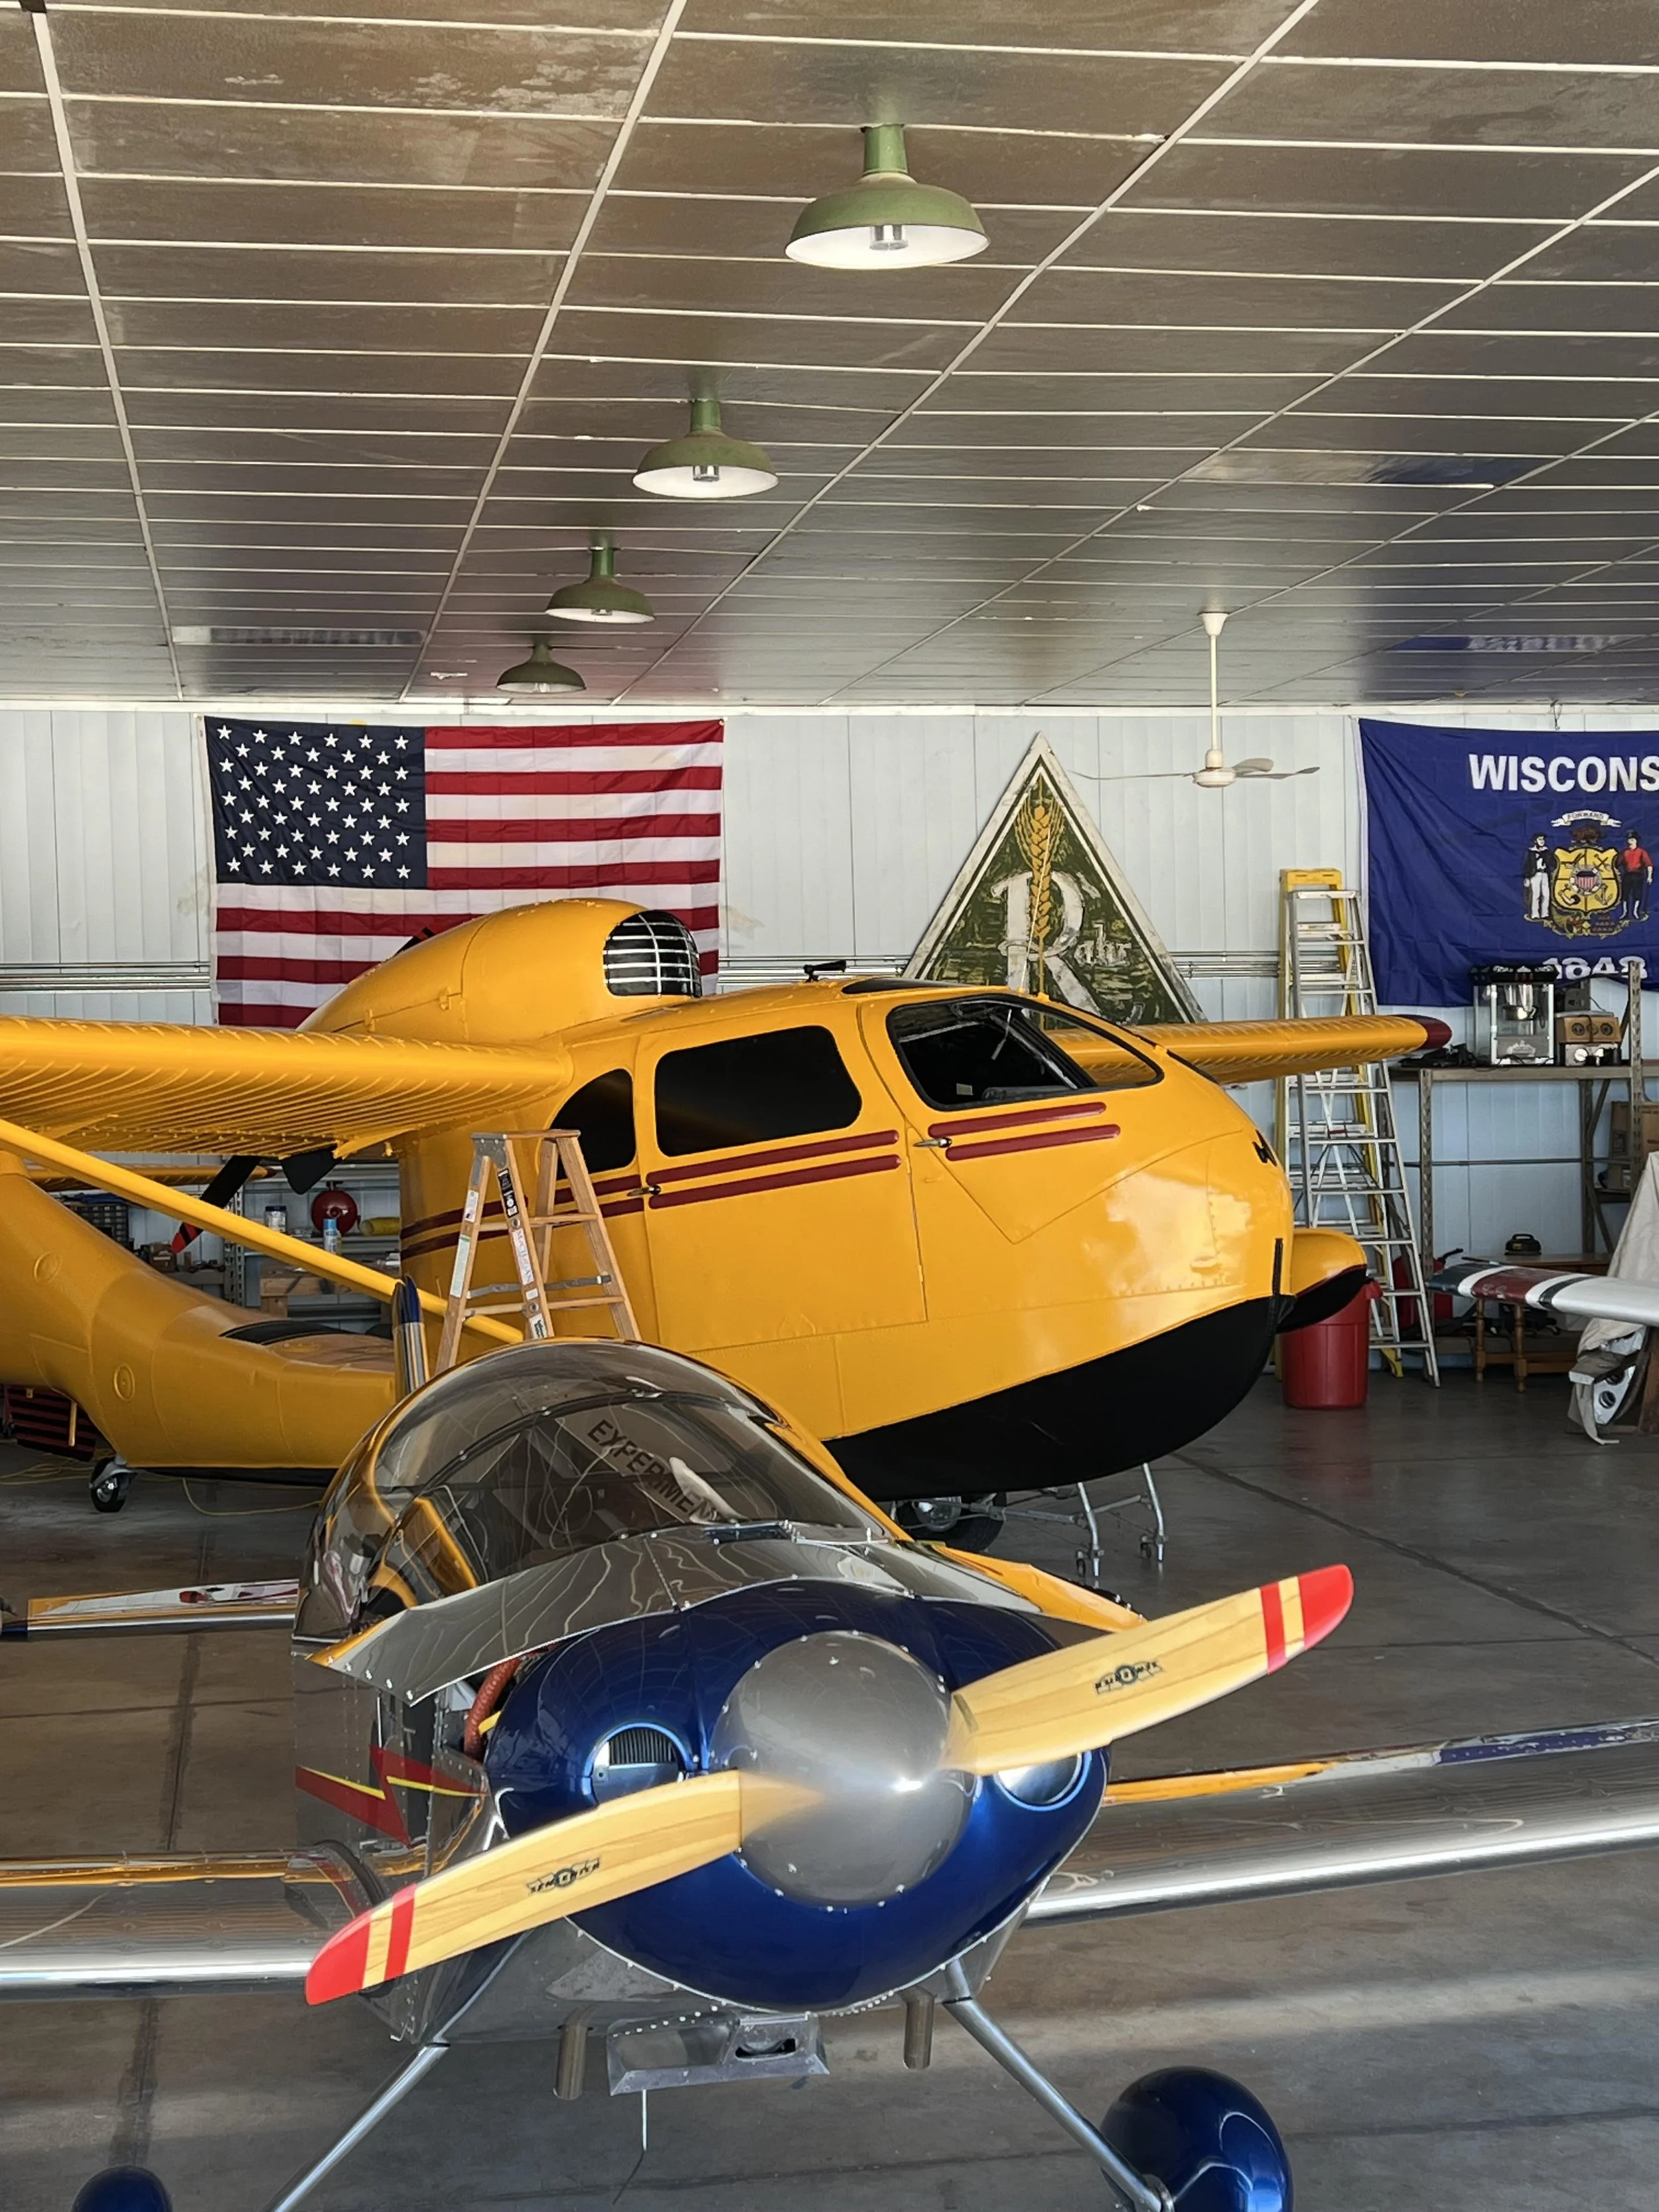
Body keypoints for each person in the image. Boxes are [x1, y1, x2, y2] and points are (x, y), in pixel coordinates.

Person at [1619, 830, 1652, 923]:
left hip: (1638, 876)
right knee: (1625, 895)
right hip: (1627, 876)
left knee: (1637, 895)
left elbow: (1649, 865)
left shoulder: (1642, 852)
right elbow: (1617, 864)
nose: (1630, 842)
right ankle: (1625, 913)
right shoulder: (1624, 853)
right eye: (1629, 840)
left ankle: (1635, 913)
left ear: (1636, 841)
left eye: (1632, 840)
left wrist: (1649, 877)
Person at [1524, 834, 1551, 922]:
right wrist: (1527, 877)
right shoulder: (1531, 852)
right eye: (1540, 839)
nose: (1542, 841)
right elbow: (1527, 865)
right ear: (1536, 841)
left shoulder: (1547, 852)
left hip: (1545, 874)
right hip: (1535, 875)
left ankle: (1545, 914)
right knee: (1536, 894)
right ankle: (1535, 914)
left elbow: (1552, 863)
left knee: (1546, 895)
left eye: (1543, 839)